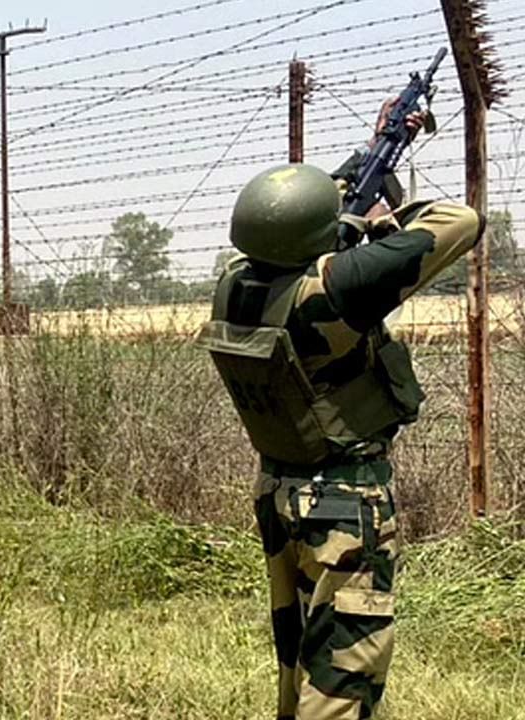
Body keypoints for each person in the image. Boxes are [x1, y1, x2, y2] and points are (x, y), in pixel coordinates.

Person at [197, 100, 484, 719]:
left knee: (300, 665)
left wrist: (376, 149)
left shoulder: (234, 284)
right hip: (343, 506)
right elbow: (460, 220)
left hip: (279, 490)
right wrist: (379, 224)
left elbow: (299, 221)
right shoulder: (339, 288)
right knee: (341, 684)